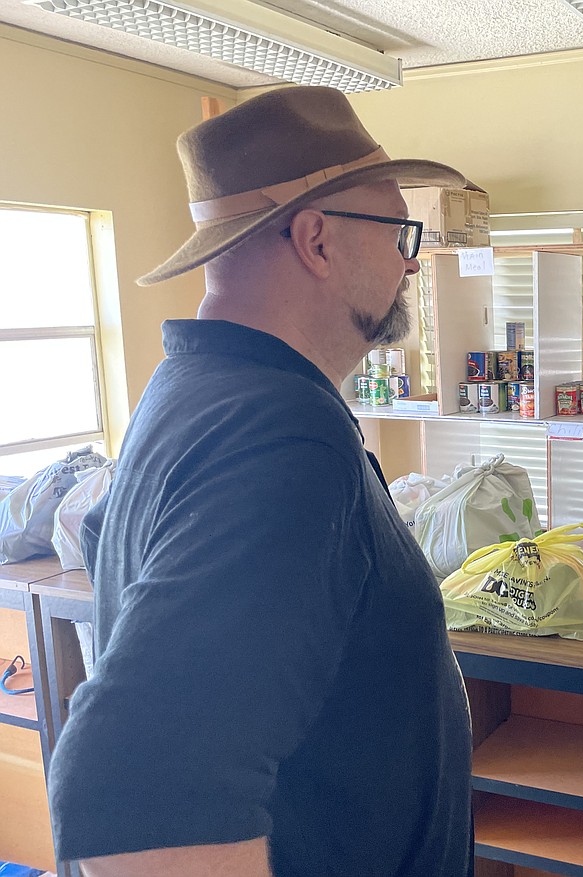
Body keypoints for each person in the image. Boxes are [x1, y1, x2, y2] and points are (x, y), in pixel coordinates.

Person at [47, 87, 478, 877]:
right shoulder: (282, 437)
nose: (411, 259)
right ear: (316, 239)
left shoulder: (191, 391)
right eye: (397, 230)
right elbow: (135, 791)